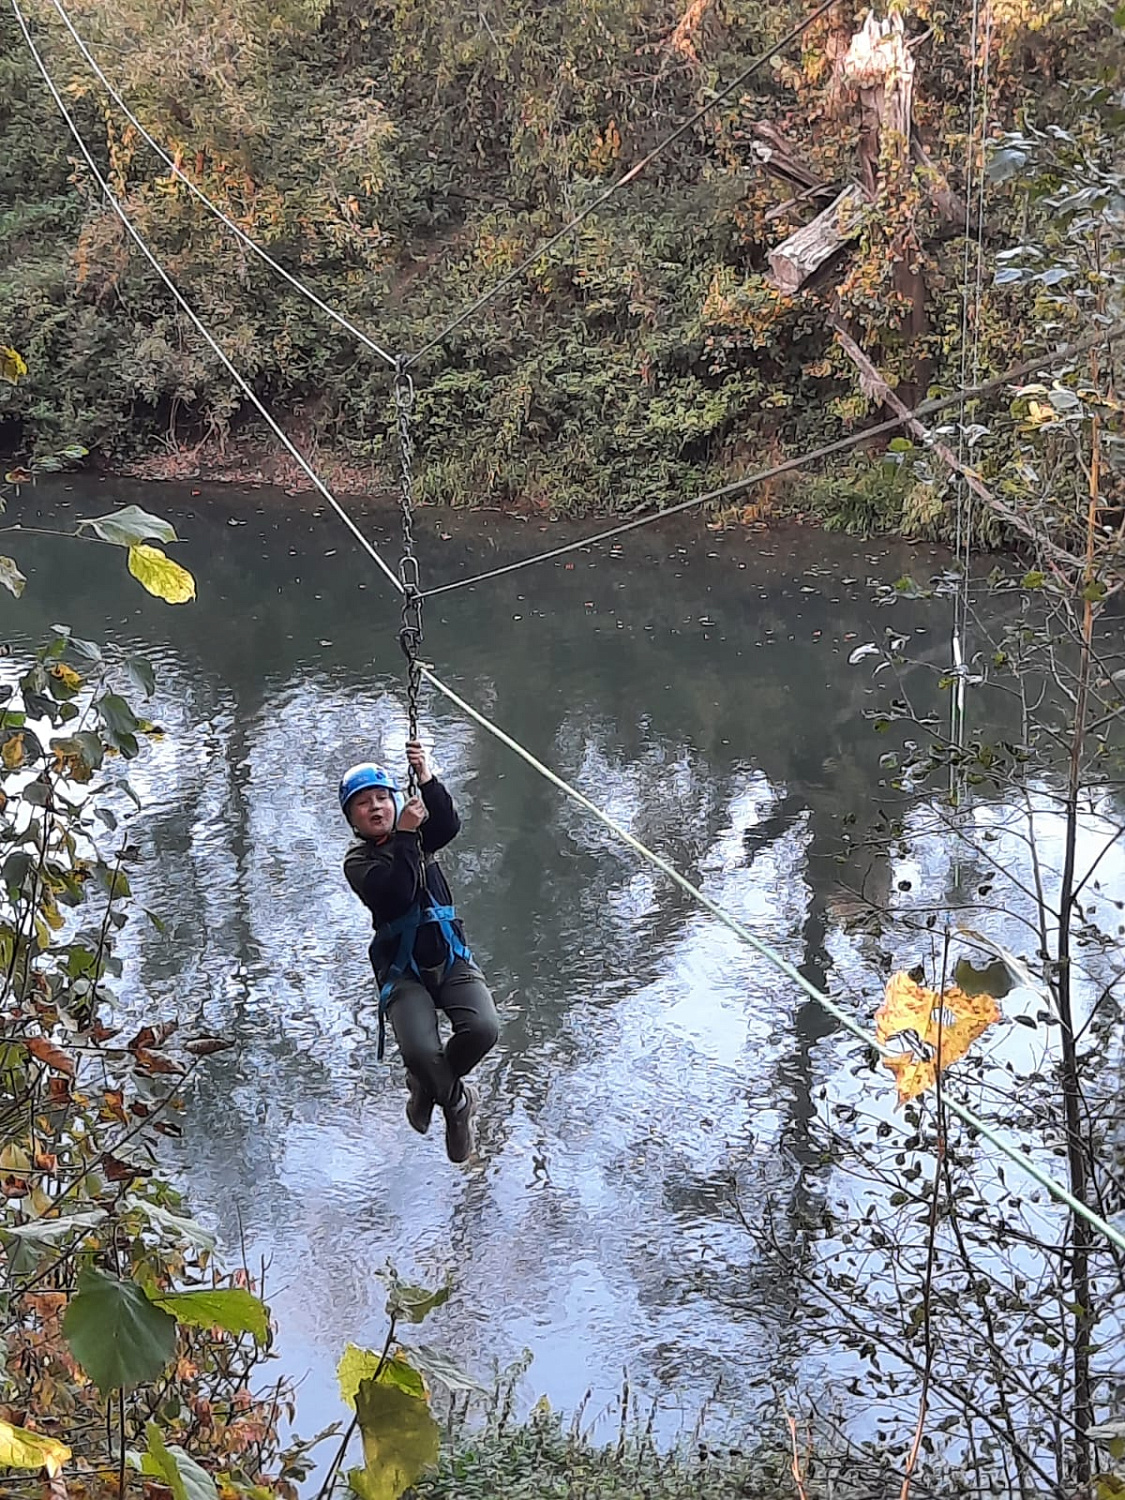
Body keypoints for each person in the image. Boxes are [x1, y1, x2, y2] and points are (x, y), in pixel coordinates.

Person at [340, 741, 498, 1163]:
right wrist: (408, 834)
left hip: (449, 954)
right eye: (363, 805)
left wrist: (425, 778)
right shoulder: (359, 863)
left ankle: (427, 1085)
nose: (375, 808)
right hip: (403, 969)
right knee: (420, 1052)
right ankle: (457, 1102)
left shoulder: (419, 837)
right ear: (352, 818)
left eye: (380, 799)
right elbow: (397, 891)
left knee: (484, 1029)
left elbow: (446, 825)